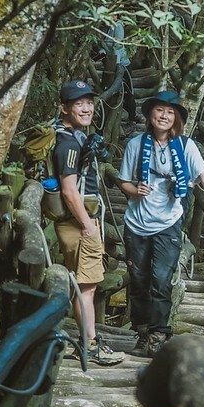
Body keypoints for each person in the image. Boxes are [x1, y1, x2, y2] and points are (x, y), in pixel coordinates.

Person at [118, 90, 204, 357]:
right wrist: (134, 191)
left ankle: (158, 336)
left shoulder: (185, 147)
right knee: (138, 280)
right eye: (160, 110)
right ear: (150, 114)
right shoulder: (135, 145)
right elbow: (123, 181)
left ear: (177, 119)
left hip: (168, 223)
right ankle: (142, 334)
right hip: (136, 223)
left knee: (160, 280)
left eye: (170, 112)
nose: (164, 116)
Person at [53, 80, 125, 366]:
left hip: (78, 221)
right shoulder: (68, 142)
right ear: (64, 107)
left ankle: (88, 341)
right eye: (78, 103)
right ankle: (89, 345)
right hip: (80, 223)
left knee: (85, 284)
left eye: (89, 102)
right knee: (88, 286)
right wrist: (87, 224)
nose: (87, 108)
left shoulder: (71, 135)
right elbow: (69, 190)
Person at [99, 14, 143, 124]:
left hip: (122, 64)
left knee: (127, 90)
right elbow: (105, 44)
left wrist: (116, 65)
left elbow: (117, 45)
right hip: (112, 63)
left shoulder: (118, 26)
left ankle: (132, 115)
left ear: (116, 16)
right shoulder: (109, 27)